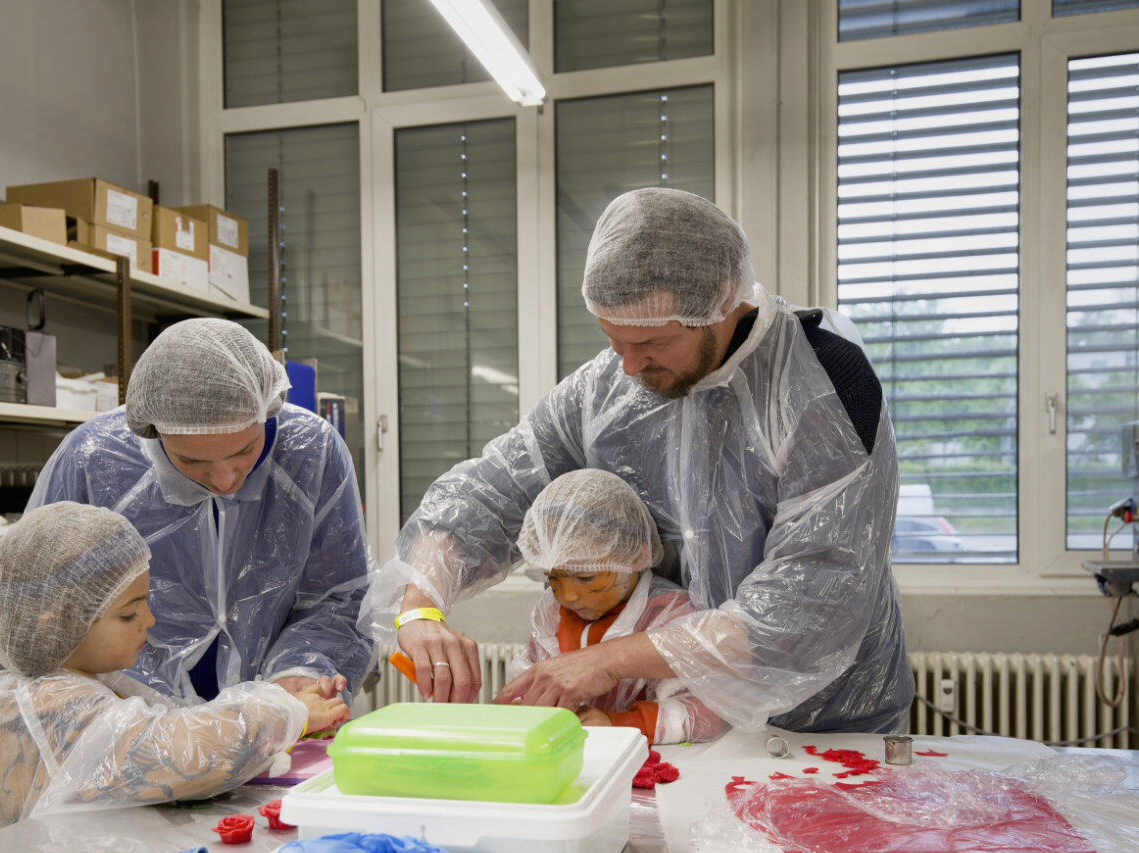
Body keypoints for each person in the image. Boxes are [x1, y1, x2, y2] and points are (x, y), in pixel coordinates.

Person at [366, 187, 913, 734]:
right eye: (611, 339)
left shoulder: (820, 387)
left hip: (820, 724)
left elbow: (807, 607)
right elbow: (489, 493)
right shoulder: (604, 390)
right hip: (669, 724)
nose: (628, 366)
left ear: (721, 299)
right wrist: (421, 608)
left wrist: (606, 660)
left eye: (652, 341)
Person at [28, 318, 374, 712]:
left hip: (282, 710)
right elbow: (37, 606)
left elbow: (341, 597)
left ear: (268, 410)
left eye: (245, 450)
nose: (224, 480)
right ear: (153, 432)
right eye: (191, 460)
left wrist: (300, 669)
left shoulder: (310, 451)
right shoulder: (95, 460)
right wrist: (111, 699)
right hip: (131, 713)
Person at [0, 501, 344, 826]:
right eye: (128, 615)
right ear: (54, 627)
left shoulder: (76, 682)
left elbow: (176, 723)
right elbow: (186, 751)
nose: (149, 621)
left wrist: (285, 722)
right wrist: (290, 712)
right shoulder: (52, 704)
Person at [510, 469, 727, 745]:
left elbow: (706, 714)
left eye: (586, 577)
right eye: (552, 577)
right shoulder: (551, 615)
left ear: (637, 555)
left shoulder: (670, 615)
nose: (567, 596)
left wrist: (619, 724)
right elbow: (532, 678)